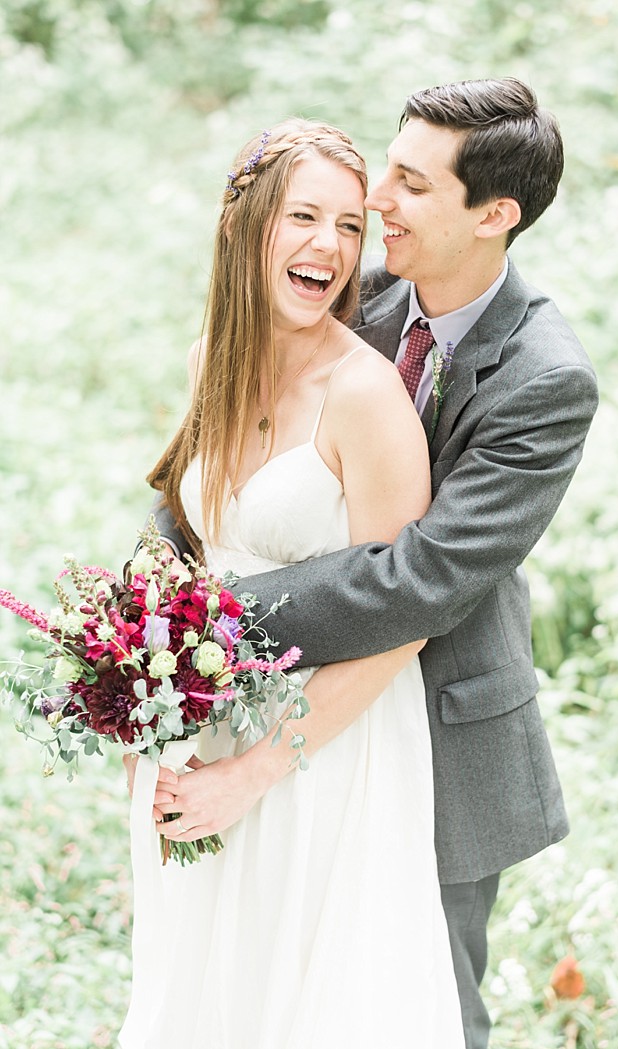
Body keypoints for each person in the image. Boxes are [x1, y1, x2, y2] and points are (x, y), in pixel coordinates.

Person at [151, 79, 599, 1048]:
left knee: (416, 1006)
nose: (377, 203)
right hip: (267, 709)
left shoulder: (544, 377)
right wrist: (151, 596)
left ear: (494, 214)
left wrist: (209, 620)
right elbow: (228, 432)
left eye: (407, 182)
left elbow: (422, 578)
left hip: (436, 731)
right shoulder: (359, 286)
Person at [120, 118, 465, 1049]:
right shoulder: (211, 363)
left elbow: (406, 618)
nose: (331, 246)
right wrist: (142, 718)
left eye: (351, 226)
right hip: (205, 729)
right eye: (304, 216)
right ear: (245, 227)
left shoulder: (365, 394)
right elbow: (191, 551)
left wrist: (262, 768)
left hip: (327, 747)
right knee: (209, 991)